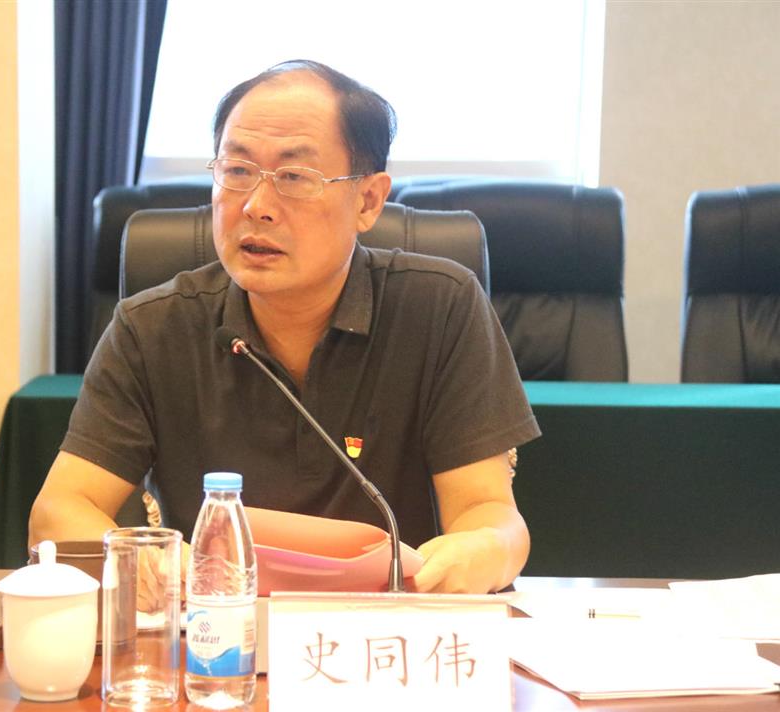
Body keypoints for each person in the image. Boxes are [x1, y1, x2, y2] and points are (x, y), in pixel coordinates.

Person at [29, 60, 540, 594]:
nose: (257, 206)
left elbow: (488, 512)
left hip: (385, 630)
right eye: (237, 171)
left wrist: (484, 551)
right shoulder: (151, 327)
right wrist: (154, 563)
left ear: (368, 200)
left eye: (294, 178)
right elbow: (59, 511)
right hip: (214, 629)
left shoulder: (441, 307)